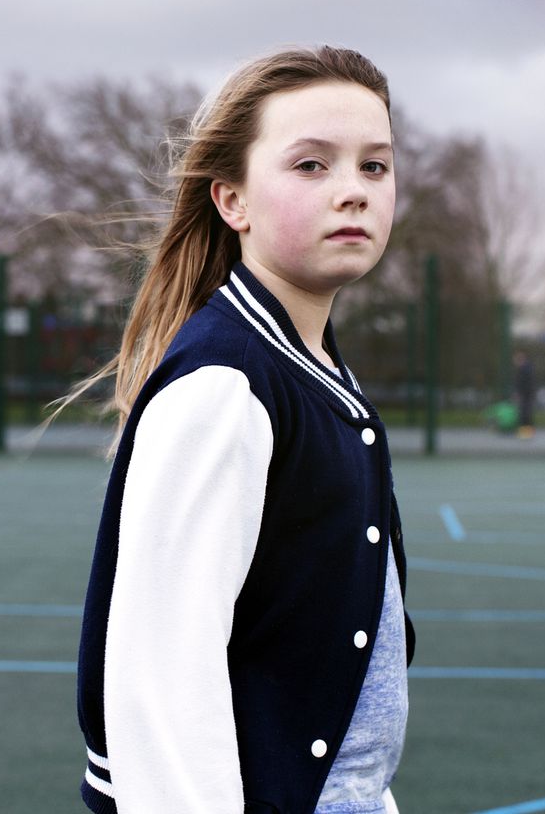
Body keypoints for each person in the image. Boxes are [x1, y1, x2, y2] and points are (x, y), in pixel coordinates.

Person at [74, 47, 413, 814]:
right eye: (311, 166)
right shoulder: (225, 387)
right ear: (233, 200)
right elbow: (161, 690)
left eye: (375, 167)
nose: (353, 192)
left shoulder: (313, 370)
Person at [512, 349, 535, 439]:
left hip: (526, 395)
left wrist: (518, 393)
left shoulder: (525, 369)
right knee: (525, 414)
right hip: (526, 394)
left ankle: (526, 433)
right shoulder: (525, 369)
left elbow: (523, 384)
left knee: (525, 414)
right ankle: (526, 433)